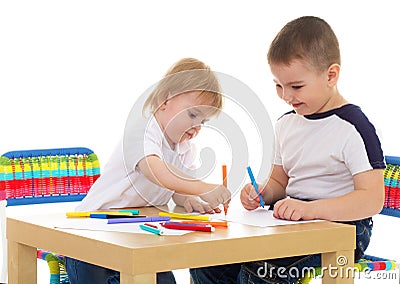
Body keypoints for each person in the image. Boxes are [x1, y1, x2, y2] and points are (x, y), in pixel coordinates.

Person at [190, 16, 385, 284]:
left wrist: (311, 209)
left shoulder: (353, 127)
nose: (286, 96)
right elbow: (280, 181)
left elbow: (372, 200)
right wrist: (263, 191)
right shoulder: (286, 124)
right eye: (278, 85)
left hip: (343, 229)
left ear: (331, 75)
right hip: (291, 224)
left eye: (296, 86)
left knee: (259, 274)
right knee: (209, 264)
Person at [66, 57, 231, 284]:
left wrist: (191, 199)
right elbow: (158, 172)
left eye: (204, 121)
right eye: (193, 115)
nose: (196, 128)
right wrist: (202, 187)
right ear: (165, 100)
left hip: (136, 239)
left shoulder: (184, 148)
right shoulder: (142, 131)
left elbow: (177, 189)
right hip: (93, 236)